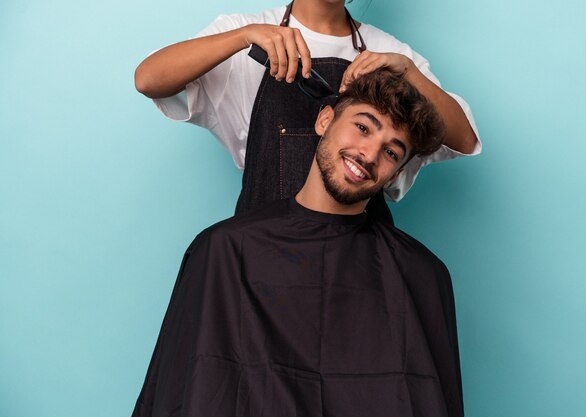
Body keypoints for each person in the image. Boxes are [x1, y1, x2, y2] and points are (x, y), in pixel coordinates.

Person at [132, 68, 464, 417]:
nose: (368, 154)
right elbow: (184, 392)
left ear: (395, 174)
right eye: (363, 128)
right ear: (324, 120)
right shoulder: (224, 251)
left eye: (392, 153)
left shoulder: (422, 276)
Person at [134, 0, 481, 221]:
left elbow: (464, 139)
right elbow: (149, 79)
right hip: (258, 252)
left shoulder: (391, 51)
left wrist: (409, 71)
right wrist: (241, 37)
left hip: (359, 264)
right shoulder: (245, 33)